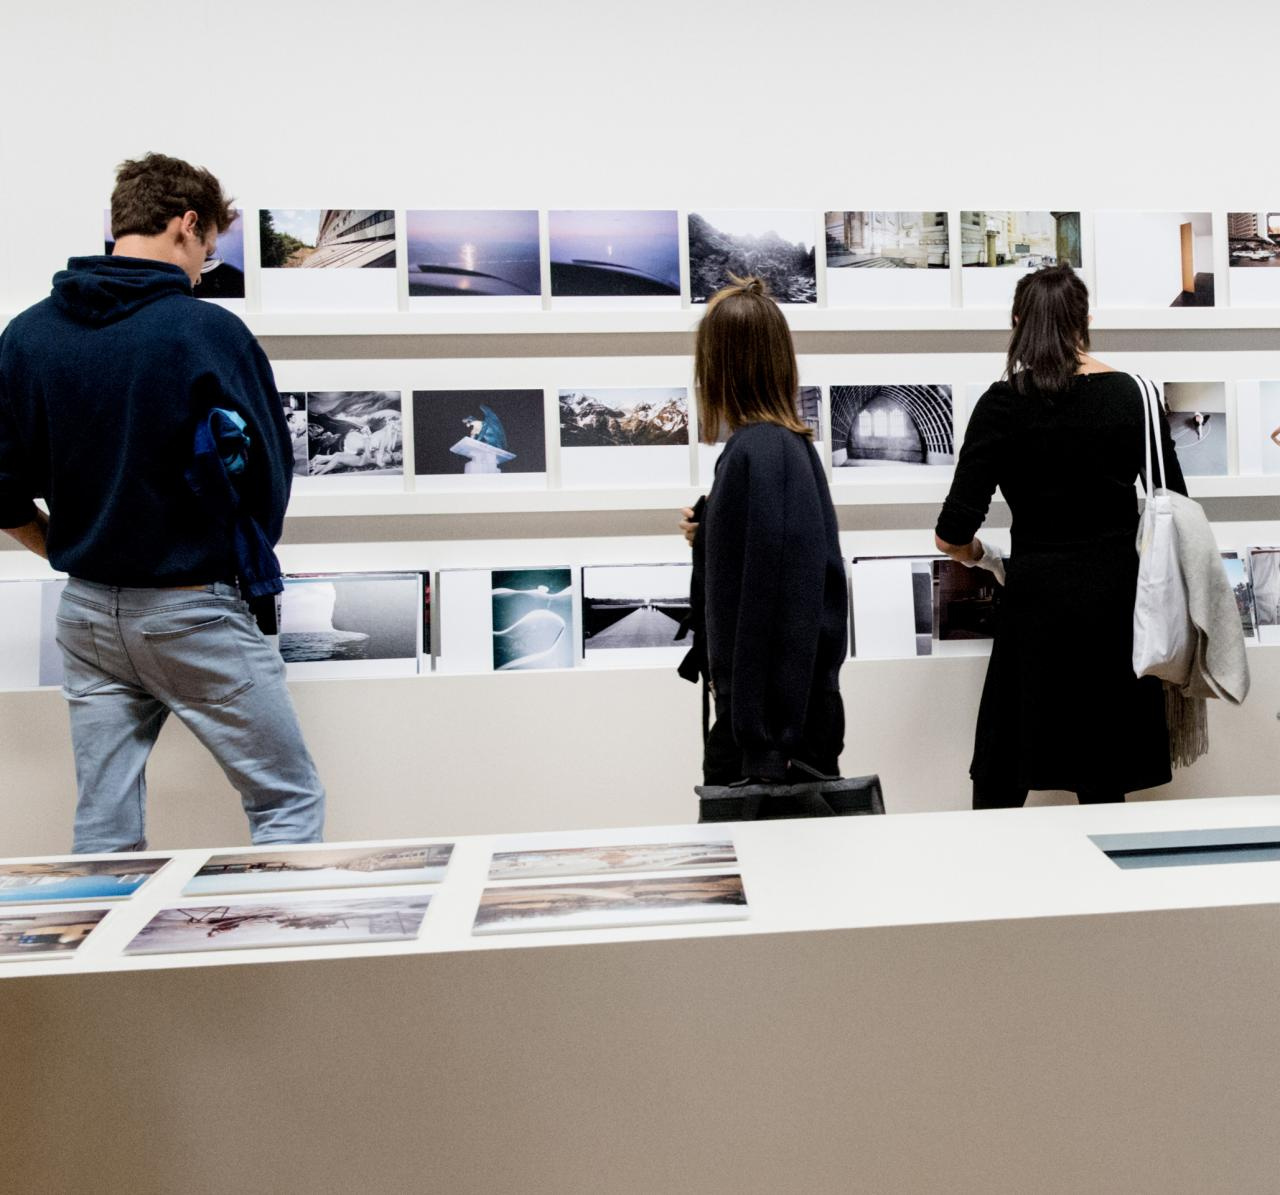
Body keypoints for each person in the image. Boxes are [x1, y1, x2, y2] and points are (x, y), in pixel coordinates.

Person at [0, 152, 325, 852]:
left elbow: (0, 489)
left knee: (104, 822)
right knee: (286, 799)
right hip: (190, 609)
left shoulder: (27, 335)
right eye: (207, 247)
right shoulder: (204, 333)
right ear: (186, 224)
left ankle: (99, 962)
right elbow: (267, 490)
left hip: (86, 612)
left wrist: (61, 544)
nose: (205, 267)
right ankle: (283, 957)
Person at [934, 264, 1186, 808]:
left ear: (1018, 322)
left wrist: (982, 556)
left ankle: (988, 889)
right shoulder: (1134, 395)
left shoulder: (1000, 404)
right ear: (1085, 321)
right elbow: (1176, 506)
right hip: (1116, 605)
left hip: (1034, 604)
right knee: (1101, 777)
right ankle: (1106, 892)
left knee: (1004, 770)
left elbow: (951, 533)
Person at [679, 276, 848, 785]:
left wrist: (763, 746)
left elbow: (779, 609)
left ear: (721, 364)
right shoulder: (774, 448)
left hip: (769, 736)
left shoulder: (762, 452)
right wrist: (712, 529)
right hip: (778, 725)